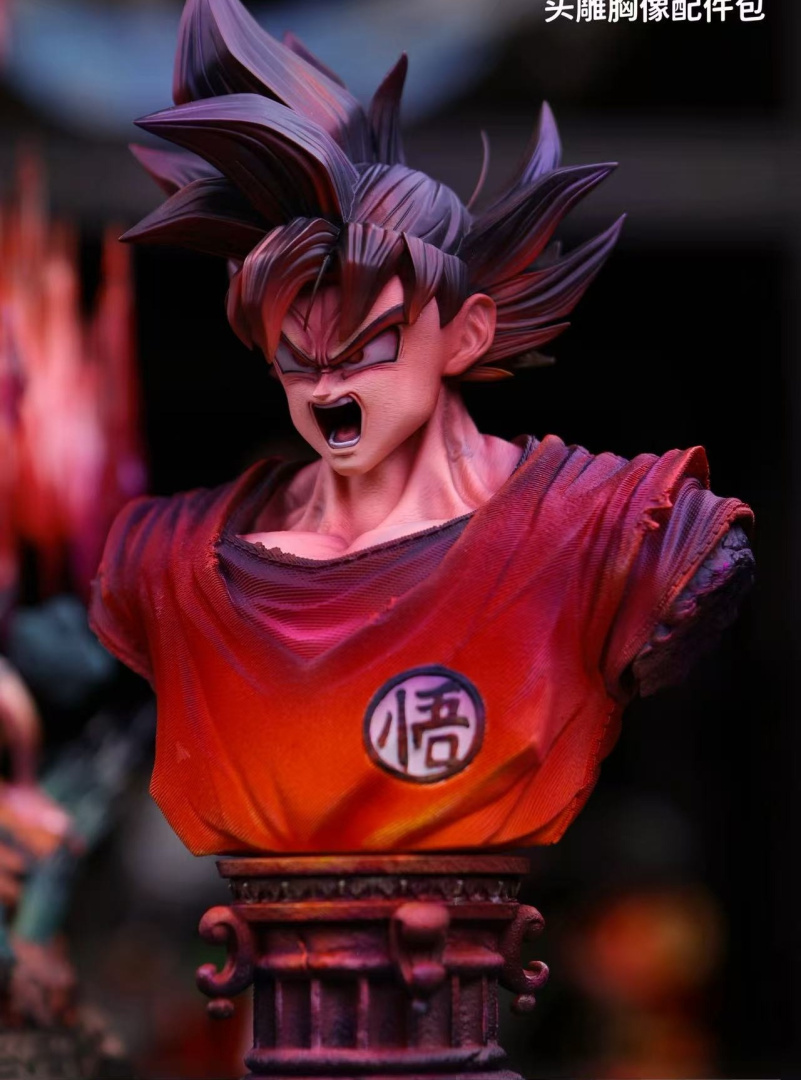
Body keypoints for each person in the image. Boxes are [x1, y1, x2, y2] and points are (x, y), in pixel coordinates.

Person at [90, 0, 753, 857]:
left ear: (465, 334)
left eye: (369, 345)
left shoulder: (617, 532)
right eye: (296, 354)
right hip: (258, 933)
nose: (328, 382)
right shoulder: (166, 559)